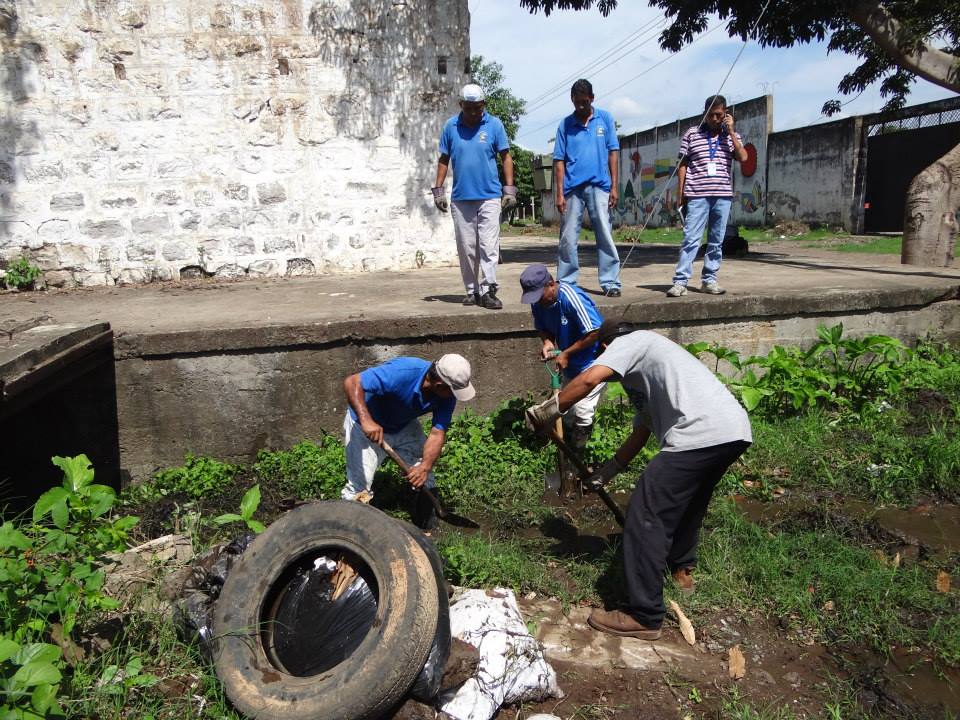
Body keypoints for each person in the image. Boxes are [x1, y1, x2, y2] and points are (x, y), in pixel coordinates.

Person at [526, 321, 752, 639]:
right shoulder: (649, 371)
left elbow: (590, 378)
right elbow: (642, 431)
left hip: (698, 434)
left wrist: (550, 410)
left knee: (646, 515)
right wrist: (609, 471)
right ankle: (682, 572)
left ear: (607, 349)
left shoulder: (633, 342)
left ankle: (644, 615)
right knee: (689, 505)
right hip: (732, 431)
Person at [342, 354, 475, 530]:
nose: (454, 396)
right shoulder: (403, 371)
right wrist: (366, 420)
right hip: (365, 425)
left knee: (424, 474)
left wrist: (425, 467)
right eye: (452, 391)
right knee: (359, 488)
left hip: (403, 425)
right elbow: (352, 382)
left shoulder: (446, 396)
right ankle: (351, 534)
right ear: (439, 385)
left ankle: (426, 524)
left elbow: (437, 433)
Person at [433, 83, 517, 310]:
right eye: (468, 108)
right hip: (461, 199)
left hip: (489, 195)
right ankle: (472, 291)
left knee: (489, 246)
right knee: (466, 246)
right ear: (461, 105)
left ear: (484, 106)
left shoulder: (494, 125)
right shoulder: (451, 127)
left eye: (477, 108)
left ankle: (488, 289)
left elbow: (506, 157)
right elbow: (444, 159)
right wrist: (438, 190)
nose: (473, 113)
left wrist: (509, 190)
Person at [519, 263, 604, 482]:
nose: (537, 301)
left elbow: (594, 332)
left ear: (550, 284)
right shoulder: (539, 301)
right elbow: (542, 327)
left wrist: (566, 353)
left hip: (593, 361)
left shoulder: (571, 297)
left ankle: (576, 464)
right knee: (566, 409)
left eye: (540, 295)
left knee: (584, 411)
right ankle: (566, 461)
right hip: (570, 364)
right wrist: (547, 342)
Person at [667, 94, 748, 298]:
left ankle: (709, 279)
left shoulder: (731, 136)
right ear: (704, 114)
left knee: (716, 240)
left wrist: (730, 131)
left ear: (726, 114)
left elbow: (743, 157)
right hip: (696, 194)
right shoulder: (692, 134)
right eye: (711, 115)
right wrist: (681, 194)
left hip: (722, 195)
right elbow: (683, 165)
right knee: (691, 239)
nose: (714, 119)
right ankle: (680, 281)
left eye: (719, 115)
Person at [553, 78, 621, 297]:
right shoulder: (565, 125)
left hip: (600, 186)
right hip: (572, 188)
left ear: (592, 98)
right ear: (572, 100)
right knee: (568, 238)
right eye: (576, 102)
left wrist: (614, 186)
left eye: (584, 101)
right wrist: (559, 193)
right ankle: (566, 282)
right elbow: (559, 161)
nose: (580, 106)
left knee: (604, 234)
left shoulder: (605, 119)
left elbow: (613, 153)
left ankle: (610, 281)